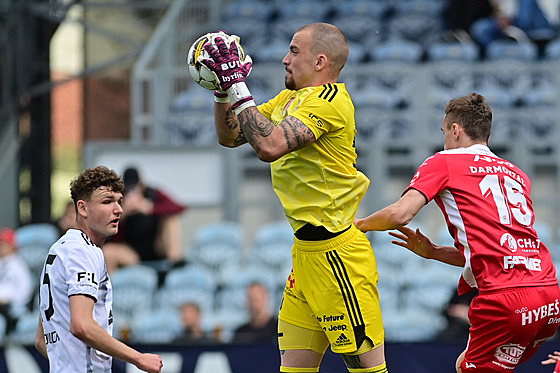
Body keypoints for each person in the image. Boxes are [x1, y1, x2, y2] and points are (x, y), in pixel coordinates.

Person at [200, 22, 388, 373]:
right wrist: (223, 90)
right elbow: (233, 136)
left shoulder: (331, 102)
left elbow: (269, 146)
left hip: (338, 258)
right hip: (304, 258)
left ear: (320, 62)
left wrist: (238, 84)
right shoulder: (289, 98)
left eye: (294, 51)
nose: (285, 59)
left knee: (368, 370)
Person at [354, 92, 560, 372]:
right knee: (468, 363)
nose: (444, 140)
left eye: (443, 132)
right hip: (548, 296)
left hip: (506, 299)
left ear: (455, 130)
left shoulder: (443, 162)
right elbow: (499, 250)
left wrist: (358, 225)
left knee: (467, 367)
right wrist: (434, 252)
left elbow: (400, 214)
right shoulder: (516, 173)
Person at [35, 165, 163, 373]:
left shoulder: (59, 249)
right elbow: (82, 325)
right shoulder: (84, 252)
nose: (119, 209)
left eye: (119, 201)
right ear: (83, 208)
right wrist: (138, 358)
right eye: (107, 202)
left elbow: (41, 340)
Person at [103, 167, 186, 273]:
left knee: (171, 220)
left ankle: (175, 262)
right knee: (108, 252)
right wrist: (122, 214)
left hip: (156, 246)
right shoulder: (117, 198)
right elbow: (107, 232)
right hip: (131, 251)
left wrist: (150, 208)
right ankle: (111, 287)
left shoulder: (153, 194)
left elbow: (178, 208)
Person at [0, 227, 33, 335]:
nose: (1, 246)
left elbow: (25, 291)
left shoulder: (19, 265)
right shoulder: (1, 263)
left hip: (13, 308)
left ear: (12, 245)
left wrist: (6, 298)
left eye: (4, 243)